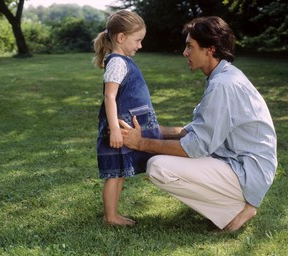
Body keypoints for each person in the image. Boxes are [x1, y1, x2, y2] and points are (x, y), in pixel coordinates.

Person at [119, 16, 277, 232]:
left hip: (247, 169)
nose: (185, 53)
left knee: (158, 167)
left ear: (210, 49)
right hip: (239, 160)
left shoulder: (223, 85)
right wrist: (148, 132)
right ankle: (234, 206)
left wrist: (141, 144)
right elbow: (191, 131)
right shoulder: (223, 76)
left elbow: (194, 147)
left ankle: (238, 209)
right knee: (165, 160)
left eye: (190, 47)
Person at [92, 10, 162, 226]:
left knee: (119, 172)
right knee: (114, 173)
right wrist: (114, 129)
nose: (140, 46)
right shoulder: (117, 63)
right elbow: (109, 97)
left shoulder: (123, 60)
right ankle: (111, 216)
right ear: (121, 37)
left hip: (123, 128)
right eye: (137, 40)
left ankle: (113, 213)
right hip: (119, 129)